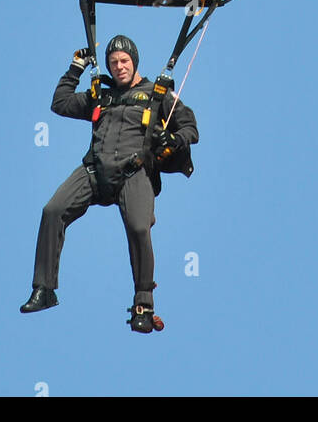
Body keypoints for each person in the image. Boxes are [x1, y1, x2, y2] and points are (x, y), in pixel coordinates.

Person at [20, 33, 199, 332]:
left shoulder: (157, 96)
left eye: (124, 61)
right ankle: (44, 289)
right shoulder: (100, 95)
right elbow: (60, 104)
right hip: (95, 170)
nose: (119, 66)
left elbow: (191, 126)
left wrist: (174, 139)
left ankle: (143, 305)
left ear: (134, 61)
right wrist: (76, 67)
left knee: (140, 228)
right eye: (113, 62)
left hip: (135, 171)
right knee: (53, 210)